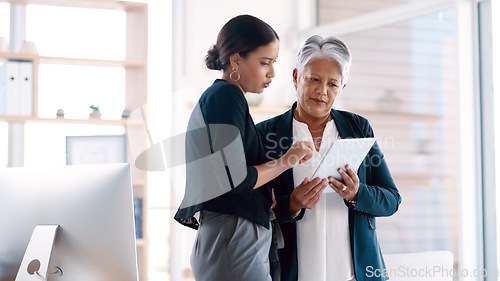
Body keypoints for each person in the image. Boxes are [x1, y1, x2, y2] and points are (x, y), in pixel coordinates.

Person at [174, 15, 320, 281]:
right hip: (233, 236)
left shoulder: (224, 97)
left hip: (231, 235)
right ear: (236, 60)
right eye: (264, 62)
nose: (272, 73)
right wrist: (289, 159)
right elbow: (235, 177)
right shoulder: (226, 96)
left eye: (274, 63)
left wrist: (266, 195)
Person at [257, 35, 402, 281]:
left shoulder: (358, 128)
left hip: (355, 274)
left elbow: (391, 199)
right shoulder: (265, 134)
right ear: (295, 77)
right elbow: (252, 209)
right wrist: (291, 204)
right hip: (294, 271)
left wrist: (358, 194)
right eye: (313, 79)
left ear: (342, 87)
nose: (321, 91)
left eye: (332, 84)